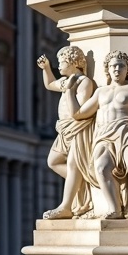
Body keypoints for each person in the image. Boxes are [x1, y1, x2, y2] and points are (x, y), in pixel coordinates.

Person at [67, 50, 128, 219]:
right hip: (104, 135)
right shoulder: (101, 92)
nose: (116, 69)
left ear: (127, 69)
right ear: (107, 69)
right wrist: (70, 92)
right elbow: (78, 114)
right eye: (113, 66)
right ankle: (114, 209)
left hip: (127, 132)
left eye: (121, 66)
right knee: (101, 168)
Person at [36, 46, 97, 219]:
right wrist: (46, 68)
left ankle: (66, 206)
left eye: (62, 62)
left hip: (76, 128)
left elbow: (77, 112)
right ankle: (81, 181)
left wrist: (69, 90)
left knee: (73, 164)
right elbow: (49, 84)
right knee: (53, 161)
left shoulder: (84, 82)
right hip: (63, 130)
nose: (59, 66)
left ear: (73, 63)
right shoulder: (66, 81)